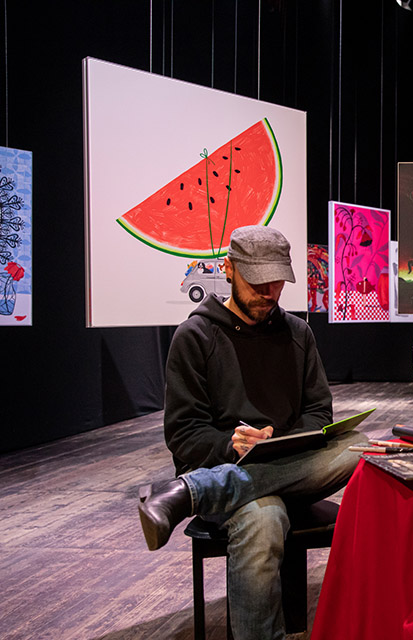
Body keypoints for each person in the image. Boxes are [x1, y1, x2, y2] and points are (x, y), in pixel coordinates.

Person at [137, 225, 366, 640]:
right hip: (223, 464)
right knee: (263, 517)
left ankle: (191, 493)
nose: (268, 292)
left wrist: (283, 441)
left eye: (276, 281)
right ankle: (210, 486)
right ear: (229, 269)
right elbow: (184, 434)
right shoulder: (195, 336)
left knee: (359, 444)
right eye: (256, 281)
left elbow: (319, 413)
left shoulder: (298, 333)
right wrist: (231, 443)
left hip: (292, 466)